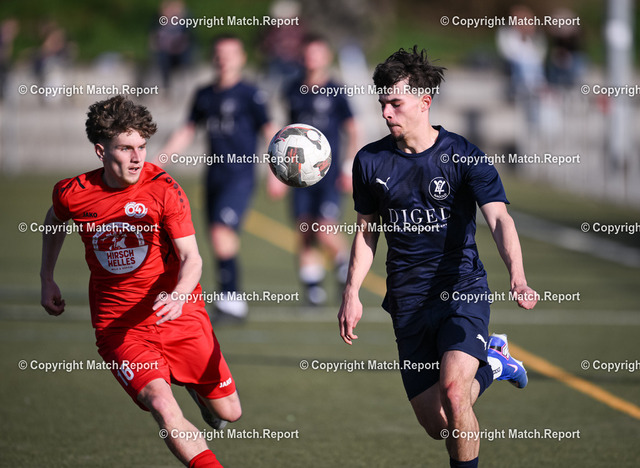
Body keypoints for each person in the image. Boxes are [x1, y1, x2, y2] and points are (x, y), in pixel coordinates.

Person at [337, 47, 538, 467]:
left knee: (453, 392)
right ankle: (495, 364)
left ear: (424, 101)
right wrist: (352, 292)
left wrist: (517, 277)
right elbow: (366, 231)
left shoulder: (463, 155)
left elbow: (499, 219)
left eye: (396, 103)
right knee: (440, 423)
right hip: (407, 300)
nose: (386, 112)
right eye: (382, 104)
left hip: (461, 289)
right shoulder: (370, 161)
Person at [40, 95, 241, 468]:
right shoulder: (74, 192)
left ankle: (196, 388)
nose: (137, 158)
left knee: (230, 412)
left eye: (142, 147)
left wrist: (179, 296)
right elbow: (55, 218)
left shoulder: (163, 189)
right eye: (125, 148)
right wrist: (46, 277)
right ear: (101, 151)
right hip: (121, 328)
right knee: (162, 405)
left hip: (179, 314)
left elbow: (192, 258)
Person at [159, 34, 275, 321]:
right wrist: (159, 161)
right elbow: (188, 129)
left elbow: (270, 132)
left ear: (242, 58)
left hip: (240, 176)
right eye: (219, 54)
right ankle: (229, 298)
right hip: (214, 176)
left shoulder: (250, 94)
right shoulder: (204, 94)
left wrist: (277, 172)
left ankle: (232, 301)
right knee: (218, 237)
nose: (224, 59)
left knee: (221, 232)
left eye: (230, 54)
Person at [282, 34, 359, 305]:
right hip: (298, 174)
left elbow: (353, 130)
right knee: (304, 228)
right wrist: (278, 171)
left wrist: (348, 168)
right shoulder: (292, 89)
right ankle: (313, 290)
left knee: (324, 228)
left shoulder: (336, 90)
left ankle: (343, 265)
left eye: (317, 53)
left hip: (328, 173)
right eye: (307, 53)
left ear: (327, 57)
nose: (311, 59)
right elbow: (285, 132)